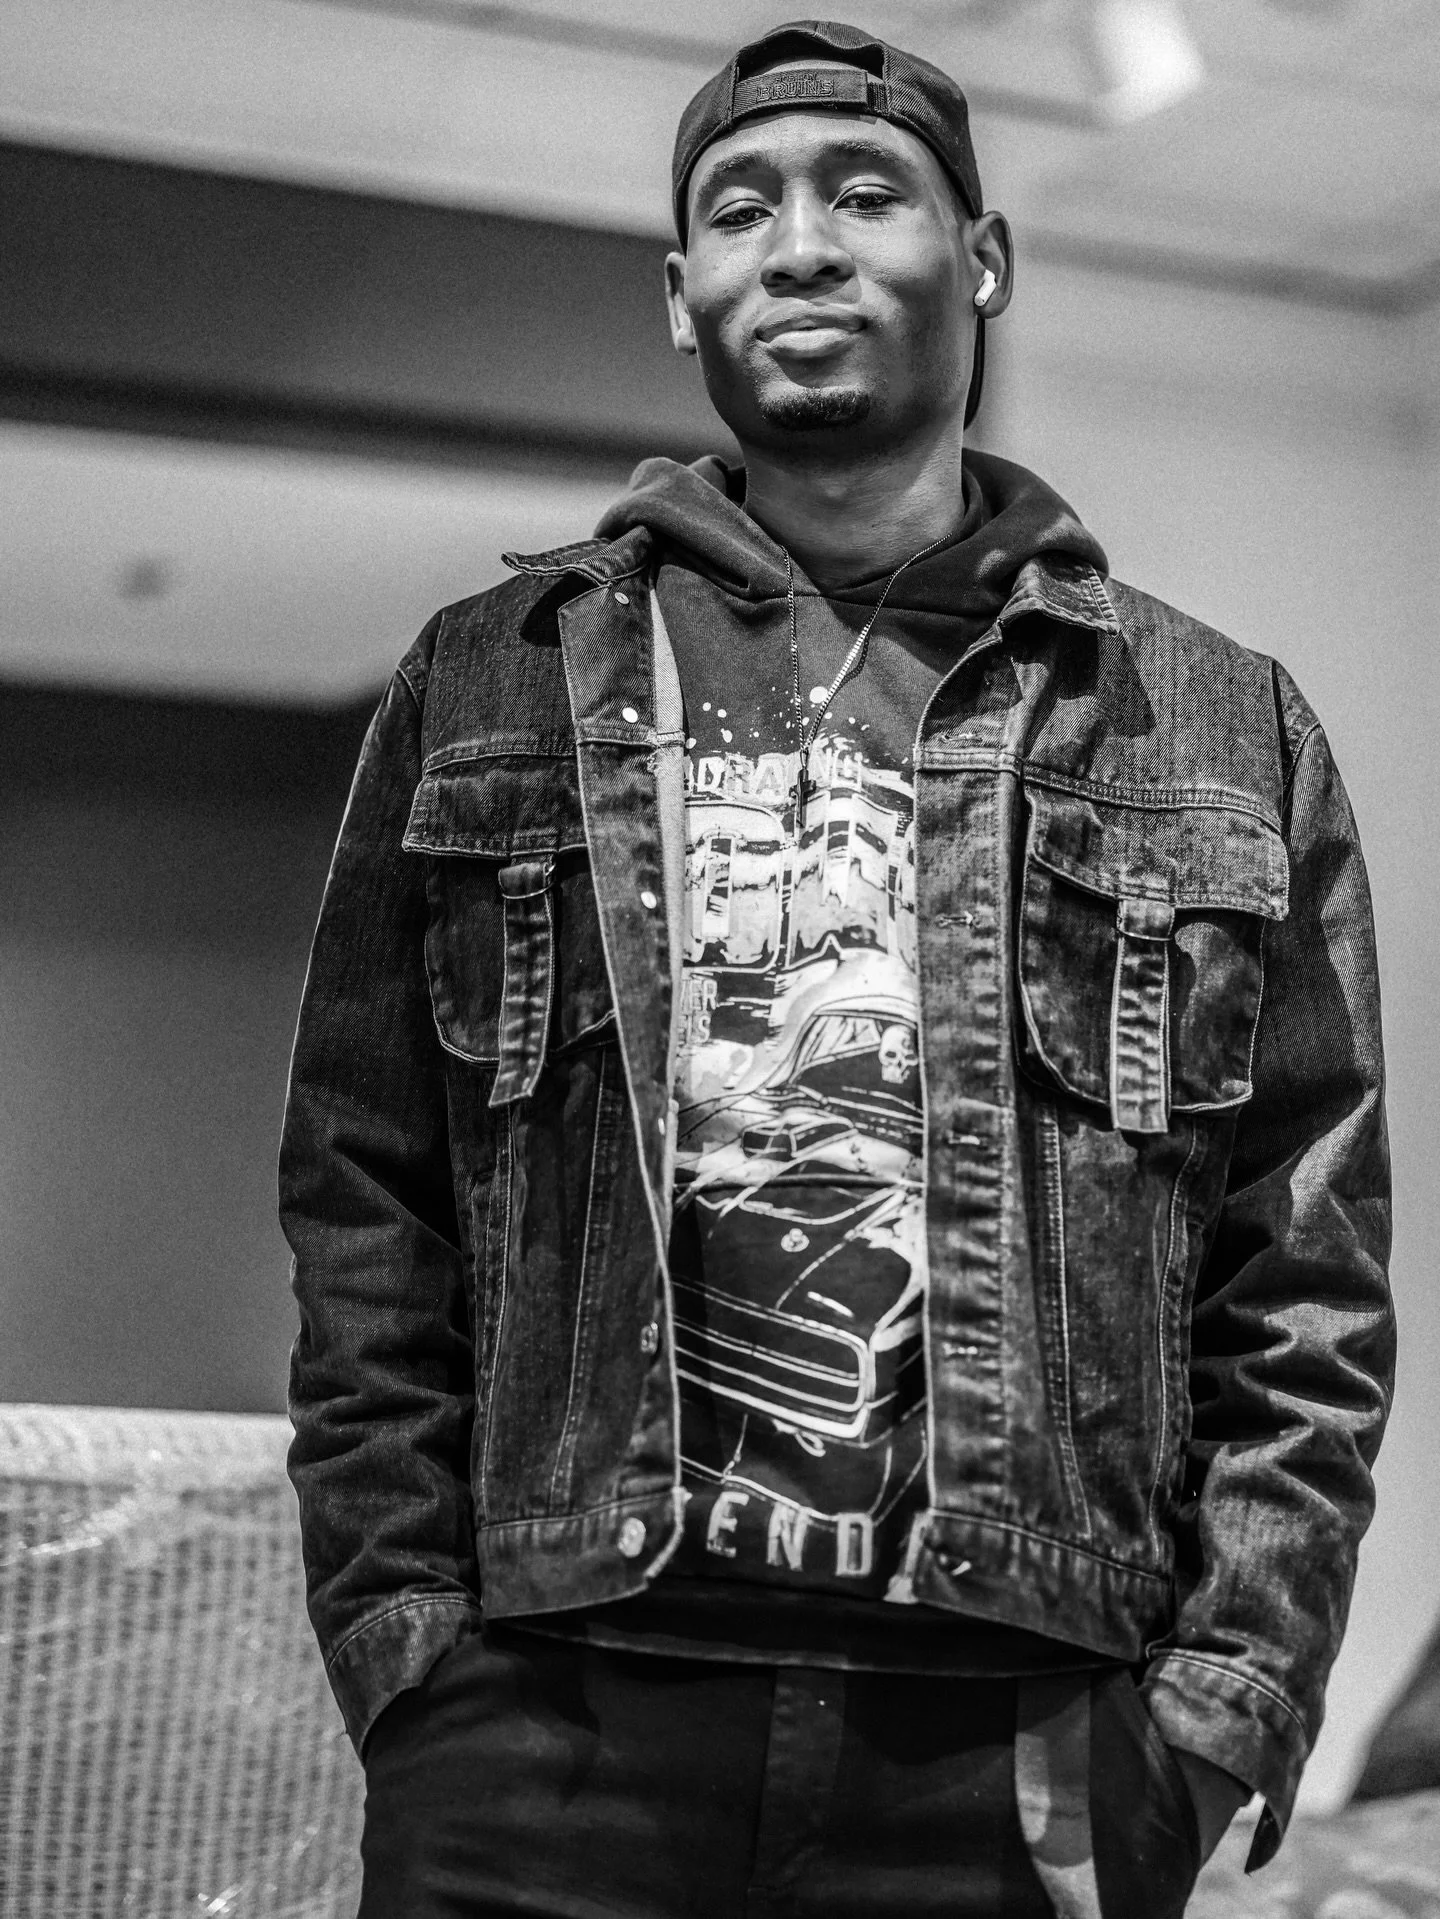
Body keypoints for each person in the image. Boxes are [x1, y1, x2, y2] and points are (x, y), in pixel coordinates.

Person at [280, 20, 1394, 1916]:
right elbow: (362, 1192)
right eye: (741, 210)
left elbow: (1304, 1263)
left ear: (985, 260)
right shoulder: (493, 678)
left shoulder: (1212, 723)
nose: (799, 246)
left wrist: (1223, 1704)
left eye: (865, 194)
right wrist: (407, 1647)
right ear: (679, 293)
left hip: (1022, 1735)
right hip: (550, 1719)